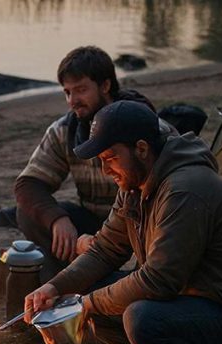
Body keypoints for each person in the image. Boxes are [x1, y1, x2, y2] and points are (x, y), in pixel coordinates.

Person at [23, 101, 222, 344]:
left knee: (140, 317)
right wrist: (55, 287)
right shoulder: (134, 185)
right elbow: (105, 250)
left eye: (110, 158)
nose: (105, 169)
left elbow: (159, 281)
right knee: (94, 293)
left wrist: (86, 304)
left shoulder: (184, 190)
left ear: (142, 149)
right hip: (193, 303)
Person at [14, 45, 159, 280]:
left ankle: (134, 279)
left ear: (105, 85)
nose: (73, 100)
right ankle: (63, 280)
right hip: (94, 219)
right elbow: (27, 185)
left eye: (80, 90)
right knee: (27, 212)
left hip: (139, 218)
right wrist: (56, 219)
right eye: (67, 92)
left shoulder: (142, 125)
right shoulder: (65, 131)